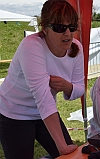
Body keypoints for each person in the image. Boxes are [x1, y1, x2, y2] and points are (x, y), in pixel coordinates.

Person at [0, 0, 85, 158]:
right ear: (45, 28)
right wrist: (61, 147)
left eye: (72, 27)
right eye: (60, 27)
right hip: (14, 112)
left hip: (44, 113)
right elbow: (43, 97)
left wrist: (67, 86)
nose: (67, 33)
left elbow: (80, 88)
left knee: (71, 155)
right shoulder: (31, 46)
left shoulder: (76, 48)